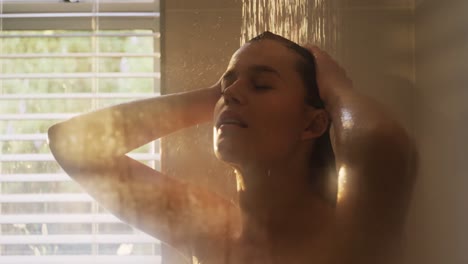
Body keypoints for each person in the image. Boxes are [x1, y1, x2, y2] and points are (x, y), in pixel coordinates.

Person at [48, 31, 417, 264]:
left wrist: (336, 89)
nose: (231, 93)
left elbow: (382, 142)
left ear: (313, 123)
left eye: (261, 85)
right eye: (228, 84)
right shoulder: (210, 233)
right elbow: (73, 144)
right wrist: (217, 95)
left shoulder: (347, 228)